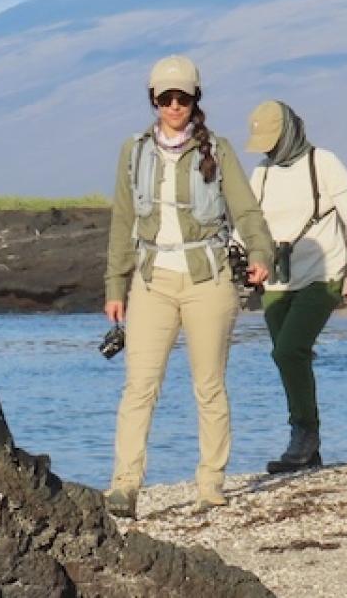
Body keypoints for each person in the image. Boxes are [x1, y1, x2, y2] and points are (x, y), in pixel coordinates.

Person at [101, 55, 274, 517]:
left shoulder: (217, 149)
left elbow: (247, 209)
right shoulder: (133, 151)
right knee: (140, 386)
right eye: (165, 97)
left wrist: (261, 252)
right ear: (153, 99)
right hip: (151, 280)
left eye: (183, 96)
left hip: (208, 280)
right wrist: (116, 286)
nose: (174, 105)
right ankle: (124, 485)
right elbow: (123, 221)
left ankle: (211, 483)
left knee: (209, 385)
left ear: (196, 98)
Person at [245, 100, 347, 473]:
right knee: (289, 359)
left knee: (289, 352)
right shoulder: (261, 173)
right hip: (276, 281)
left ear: (289, 131)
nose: (267, 148)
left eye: (272, 139)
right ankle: (307, 447)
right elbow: (249, 224)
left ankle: (304, 434)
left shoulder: (324, 163)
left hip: (323, 274)